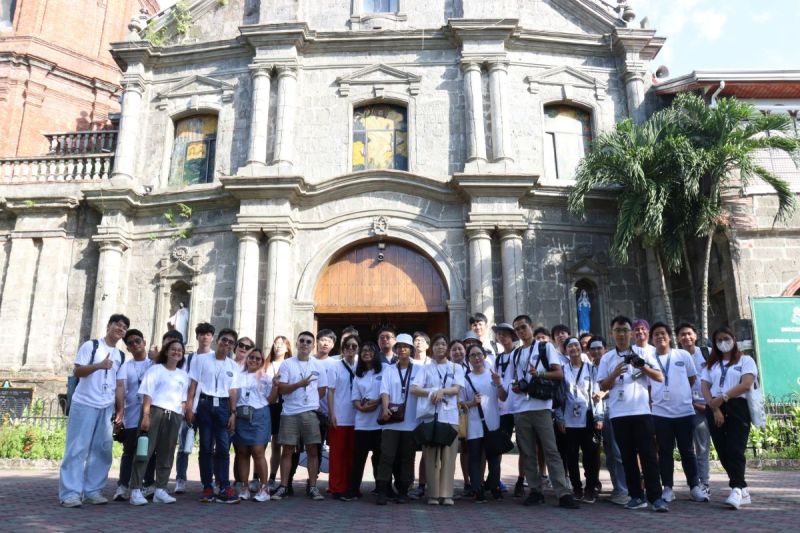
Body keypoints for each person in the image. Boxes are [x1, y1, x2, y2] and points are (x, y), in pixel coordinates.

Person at [504, 315, 578, 508]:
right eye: (517, 329)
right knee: (527, 452)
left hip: (541, 406)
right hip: (521, 408)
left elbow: (558, 373)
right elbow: (513, 379)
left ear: (531, 326)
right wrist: (516, 387)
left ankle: (563, 493)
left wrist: (539, 374)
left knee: (550, 450)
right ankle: (535, 491)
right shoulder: (516, 354)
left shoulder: (545, 347)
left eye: (523, 327)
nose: (521, 331)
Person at [597, 315, 667, 512]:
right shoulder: (607, 358)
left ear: (631, 333)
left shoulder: (643, 352)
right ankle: (636, 496)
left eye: (625, 330)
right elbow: (603, 385)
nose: (621, 334)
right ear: (612, 333)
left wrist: (641, 365)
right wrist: (614, 373)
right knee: (627, 457)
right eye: (617, 331)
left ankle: (656, 498)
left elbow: (660, 376)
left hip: (642, 411)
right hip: (618, 414)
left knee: (648, 456)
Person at [60, 314, 129, 508]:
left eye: (124, 327)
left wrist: (120, 409)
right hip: (84, 403)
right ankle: (70, 493)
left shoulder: (121, 355)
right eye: (117, 324)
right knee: (77, 448)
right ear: (108, 325)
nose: (120, 329)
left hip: (106, 406)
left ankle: (92, 491)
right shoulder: (91, 346)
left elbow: (120, 385)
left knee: (102, 450)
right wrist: (99, 366)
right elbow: (77, 372)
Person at [648, 322, 708, 503]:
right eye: (656, 334)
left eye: (663, 333)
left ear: (669, 336)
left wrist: (679, 393)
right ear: (652, 339)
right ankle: (668, 488)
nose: (660, 337)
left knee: (687, 451)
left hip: (683, 411)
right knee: (665, 452)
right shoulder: (649, 358)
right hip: (660, 413)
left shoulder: (682, 355)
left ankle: (694, 487)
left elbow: (691, 378)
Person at [701, 327, 757, 510]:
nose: (723, 342)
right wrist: (714, 406)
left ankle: (736, 488)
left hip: (736, 406)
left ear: (733, 338)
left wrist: (723, 397)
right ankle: (742, 489)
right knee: (723, 450)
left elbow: (746, 384)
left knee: (735, 448)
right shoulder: (712, 364)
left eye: (726, 338)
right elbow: (705, 387)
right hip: (715, 407)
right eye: (719, 340)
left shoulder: (745, 360)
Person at [129, 340, 190, 506]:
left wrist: (182, 415)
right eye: (173, 349)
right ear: (166, 351)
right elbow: (147, 393)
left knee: (167, 452)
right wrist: (146, 415)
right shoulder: (155, 369)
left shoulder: (183, 375)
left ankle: (161, 489)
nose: (176, 352)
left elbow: (183, 399)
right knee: (144, 450)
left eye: (179, 350)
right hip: (155, 411)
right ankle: (135, 489)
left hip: (174, 415)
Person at [185, 328, 241, 503]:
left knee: (224, 448)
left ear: (233, 347)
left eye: (231, 342)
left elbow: (233, 391)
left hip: (224, 405)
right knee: (206, 447)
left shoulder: (233, 366)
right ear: (218, 340)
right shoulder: (201, 359)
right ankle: (207, 486)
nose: (227, 344)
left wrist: (233, 413)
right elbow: (192, 384)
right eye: (224, 340)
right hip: (205, 404)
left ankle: (224, 485)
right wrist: (189, 407)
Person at [272, 331, 328, 501]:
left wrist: (309, 401)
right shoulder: (287, 364)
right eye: (302, 341)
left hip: (310, 413)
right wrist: (299, 385)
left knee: (313, 450)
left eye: (308, 342)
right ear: (296, 344)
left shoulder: (318, 365)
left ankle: (312, 487)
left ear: (313, 346)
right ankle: (283, 486)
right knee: (287, 450)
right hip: (289, 412)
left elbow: (322, 390)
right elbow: (281, 389)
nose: (305, 344)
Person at [411, 337, 465, 506]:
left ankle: (447, 494)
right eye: (436, 344)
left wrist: (442, 391)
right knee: (431, 457)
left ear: (447, 348)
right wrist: (432, 392)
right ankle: (433, 494)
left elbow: (456, 389)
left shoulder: (456, 367)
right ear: (431, 349)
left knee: (449, 457)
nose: (440, 347)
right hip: (430, 417)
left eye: (443, 344)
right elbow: (414, 388)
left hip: (449, 417)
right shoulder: (425, 369)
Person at [376, 334, 420, 504]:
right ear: (395, 349)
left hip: (411, 421)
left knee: (407, 457)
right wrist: (385, 408)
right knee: (386, 456)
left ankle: (403, 490)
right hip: (391, 421)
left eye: (406, 347)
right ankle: (382, 490)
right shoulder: (389, 369)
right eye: (400, 346)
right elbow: (384, 391)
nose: (402, 349)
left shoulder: (419, 370)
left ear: (411, 350)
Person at [114, 329, 155, 502]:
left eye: (138, 341)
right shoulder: (126, 366)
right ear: (128, 348)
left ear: (144, 342)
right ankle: (123, 485)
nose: (135, 345)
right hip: (132, 413)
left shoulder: (154, 364)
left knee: (149, 451)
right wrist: (120, 412)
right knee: (129, 450)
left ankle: (148, 484)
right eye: (130, 343)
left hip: (151, 413)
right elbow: (121, 388)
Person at [461, 345, 507, 503]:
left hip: (492, 422)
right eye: (472, 355)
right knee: (474, 458)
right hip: (474, 425)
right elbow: (461, 404)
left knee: (494, 458)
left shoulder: (492, 376)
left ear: (484, 356)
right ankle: (477, 488)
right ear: (469, 360)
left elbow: (503, 397)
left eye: (479, 354)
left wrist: (499, 383)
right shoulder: (466, 379)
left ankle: (494, 486)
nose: (476, 358)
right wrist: (472, 403)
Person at [558, 337, 602, 503]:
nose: (574, 348)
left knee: (591, 455)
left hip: (588, 418)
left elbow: (598, 395)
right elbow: (558, 398)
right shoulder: (562, 371)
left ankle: (590, 488)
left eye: (576, 345)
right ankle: (577, 488)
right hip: (569, 420)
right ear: (566, 350)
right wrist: (560, 418)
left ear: (581, 348)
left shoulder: (591, 370)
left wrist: (599, 416)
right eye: (570, 346)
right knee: (571, 456)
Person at [174, 322, 214, 494]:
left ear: (212, 337)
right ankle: (181, 479)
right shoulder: (189, 358)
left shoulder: (216, 358)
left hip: (207, 409)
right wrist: (186, 405)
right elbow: (184, 382)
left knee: (207, 447)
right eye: (202, 334)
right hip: (190, 407)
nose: (205, 337)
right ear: (196, 337)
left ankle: (208, 480)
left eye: (208, 334)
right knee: (184, 446)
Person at [587, 336, 628, 505]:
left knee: (617, 453)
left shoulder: (613, 364)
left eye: (599, 348)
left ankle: (624, 490)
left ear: (605, 349)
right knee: (608, 453)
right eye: (593, 349)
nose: (596, 352)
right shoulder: (587, 368)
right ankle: (616, 488)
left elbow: (620, 386)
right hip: (593, 415)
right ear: (588, 352)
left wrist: (603, 393)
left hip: (611, 412)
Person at [233, 347, 278, 502]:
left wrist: (276, 386)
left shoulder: (266, 378)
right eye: (251, 357)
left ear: (262, 361)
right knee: (242, 452)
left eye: (258, 358)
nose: (254, 360)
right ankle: (245, 487)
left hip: (259, 415)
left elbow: (271, 400)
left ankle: (264, 489)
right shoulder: (238, 375)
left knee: (258, 451)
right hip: (241, 415)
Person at [409, 334, 449, 500]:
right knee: (424, 452)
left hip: (443, 414)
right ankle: (418, 485)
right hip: (420, 414)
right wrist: (433, 392)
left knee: (438, 455)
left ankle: (440, 489)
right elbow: (414, 388)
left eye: (422, 340)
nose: (418, 343)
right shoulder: (413, 364)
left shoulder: (450, 367)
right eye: (416, 340)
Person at [676, 321, 711, 495]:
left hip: (709, 406)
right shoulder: (676, 356)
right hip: (686, 407)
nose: (686, 337)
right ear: (677, 338)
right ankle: (696, 483)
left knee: (703, 446)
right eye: (682, 334)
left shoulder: (707, 353)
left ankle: (704, 482)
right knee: (687, 448)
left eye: (689, 333)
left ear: (695, 335)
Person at [347, 341, 384, 500]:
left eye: (370, 350)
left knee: (379, 457)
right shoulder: (358, 373)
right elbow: (354, 397)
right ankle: (354, 490)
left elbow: (387, 392)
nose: (366, 353)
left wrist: (376, 403)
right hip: (362, 422)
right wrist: (361, 408)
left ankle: (381, 488)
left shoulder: (385, 370)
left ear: (376, 353)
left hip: (379, 421)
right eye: (363, 351)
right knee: (358, 458)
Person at [327, 335, 359, 500]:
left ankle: (350, 486)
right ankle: (336, 487)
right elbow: (330, 391)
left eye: (354, 346)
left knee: (351, 454)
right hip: (339, 415)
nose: (351, 349)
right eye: (348, 346)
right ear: (342, 348)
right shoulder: (335, 366)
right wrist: (331, 414)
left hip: (357, 417)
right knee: (337, 454)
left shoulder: (361, 366)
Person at [491, 322, 518, 495]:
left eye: (505, 334)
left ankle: (522, 481)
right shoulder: (498, 358)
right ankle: (494, 481)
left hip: (520, 405)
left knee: (525, 445)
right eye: (499, 334)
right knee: (499, 444)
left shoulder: (519, 354)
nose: (502, 337)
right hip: (504, 407)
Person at [265, 336, 292, 491]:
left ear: (288, 348)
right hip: (267, 405)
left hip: (283, 407)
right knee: (260, 444)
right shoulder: (265, 364)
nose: (278, 346)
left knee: (278, 444)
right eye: (276, 343)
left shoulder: (290, 364)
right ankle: (256, 476)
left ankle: (273, 477)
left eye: (282, 344)